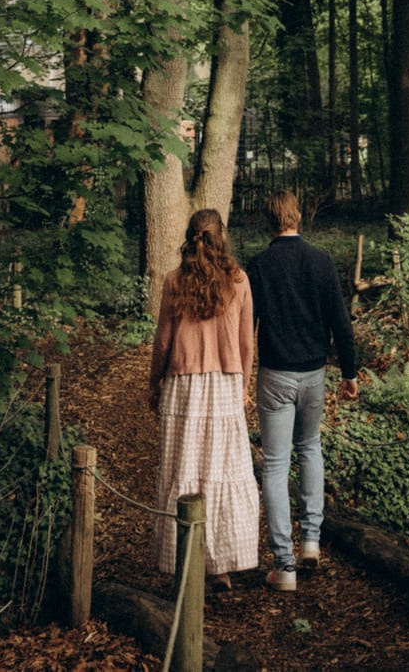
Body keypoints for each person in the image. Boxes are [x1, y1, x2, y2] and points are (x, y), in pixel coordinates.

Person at [246, 189, 358, 592]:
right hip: (314, 373)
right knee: (310, 447)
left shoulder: (258, 266)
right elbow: (340, 323)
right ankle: (311, 541)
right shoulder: (321, 261)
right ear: (297, 217)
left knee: (275, 465)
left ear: (268, 221)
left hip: (275, 373)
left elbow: (248, 328)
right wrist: (350, 371)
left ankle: (284, 566)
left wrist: (242, 374)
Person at [148, 208, 259, 586]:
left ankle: (186, 564)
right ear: (221, 236)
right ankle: (221, 565)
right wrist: (242, 386)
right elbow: (247, 343)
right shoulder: (239, 281)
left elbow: (163, 341)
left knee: (184, 471)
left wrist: (153, 383)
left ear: (190, 236)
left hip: (183, 387)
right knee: (223, 472)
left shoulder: (174, 280)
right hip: (226, 385)